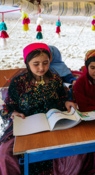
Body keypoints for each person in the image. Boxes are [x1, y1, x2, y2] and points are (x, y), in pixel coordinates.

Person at [0, 43, 76, 175]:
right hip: (25, 127)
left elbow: (62, 97)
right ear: (27, 63)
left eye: (45, 63)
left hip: (54, 125)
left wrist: (67, 102)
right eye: (36, 64)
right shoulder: (18, 83)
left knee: (74, 148)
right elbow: (6, 108)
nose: (41, 68)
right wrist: (13, 113)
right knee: (6, 153)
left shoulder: (55, 79)